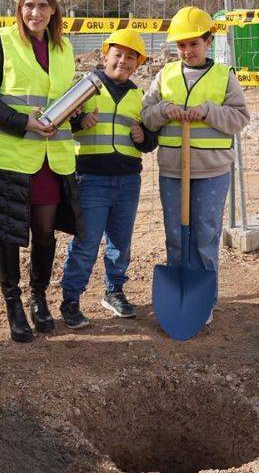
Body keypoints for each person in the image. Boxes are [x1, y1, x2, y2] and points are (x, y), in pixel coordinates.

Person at [0, 0, 84, 344]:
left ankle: (38, 297)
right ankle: (13, 304)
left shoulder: (64, 49)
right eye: (29, 5)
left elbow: (60, 102)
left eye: (43, 6)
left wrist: (79, 115)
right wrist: (25, 123)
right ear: (19, 7)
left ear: (54, 10)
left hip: (51, 160)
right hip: (8, 159)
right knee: (8, 235)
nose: (36, 13)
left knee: (46, 234)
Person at [140, 6, 250, 322]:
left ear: (207, 41)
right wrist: (164, 110)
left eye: (194, 44)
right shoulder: (165, 76)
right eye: (181, 45)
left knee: (204, 234)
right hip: (173, 170)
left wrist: (208, 111)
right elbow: (146, 115)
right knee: (176, 235)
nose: (187, 51)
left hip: (212, 171)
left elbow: (240, 118)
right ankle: (177, 296)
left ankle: (205, 301)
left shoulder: (224, 77)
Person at [60, 30, 158, 328]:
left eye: (131, 57)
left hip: (128, 181)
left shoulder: (138, 96)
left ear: (138, 64)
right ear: (105, 56)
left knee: (121, 243)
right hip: (91, 180)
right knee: (86, 243)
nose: (123, 61)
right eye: (118, 54)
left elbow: (150, 141)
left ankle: (114, 290)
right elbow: (61, 122)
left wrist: (144, 138)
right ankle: (71, 299)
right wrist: (79, 122)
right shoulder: (86, 88)